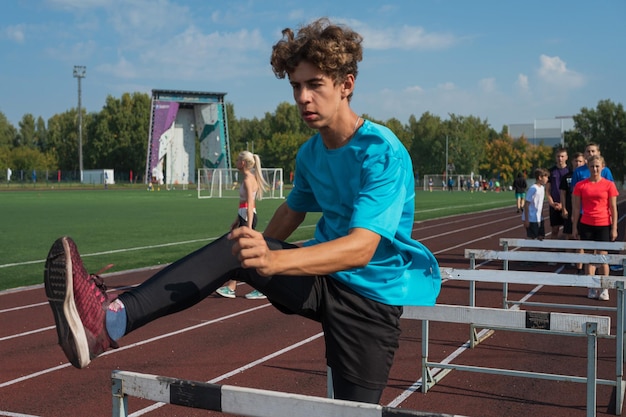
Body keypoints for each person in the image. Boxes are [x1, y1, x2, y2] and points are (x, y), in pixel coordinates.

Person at [43, 18, 441, 404]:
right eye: (296, 86)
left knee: (353, 411)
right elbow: (291, 211)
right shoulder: (311, 154)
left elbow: (361, 248)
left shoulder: (380, 152)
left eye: (315, 85)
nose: (303, 97)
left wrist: (272, 259)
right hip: (323, 279)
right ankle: (111, 322)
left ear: (346, 85)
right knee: (237, 247)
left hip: (370, 302)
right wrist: (257, 250)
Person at [216, 151, 269, 300]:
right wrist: (237, 220)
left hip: (247, 218)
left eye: (238, 160)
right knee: (242, 253)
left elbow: (250, 204)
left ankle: (257, 286)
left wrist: (248, 227)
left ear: (243, 163)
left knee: (244, 253)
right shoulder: (249, 178)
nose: (236, 162)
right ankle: (233, 286)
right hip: (244, 216)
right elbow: (245, 204)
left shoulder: (247, 180)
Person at [572, 155, 619, 301]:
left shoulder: (609, 185)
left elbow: (613, 207)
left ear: (602, 167)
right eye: (592, 166)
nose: (595, 169)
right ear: (588, 167)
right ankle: (592, 287)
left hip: (603, 223)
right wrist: (575, 226)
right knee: (590, 257)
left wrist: (614, 227)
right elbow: (576, 208)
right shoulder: (581, 185)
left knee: (602, 256)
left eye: (597, 166)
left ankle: (604, 288)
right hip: (586, 223)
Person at [559, 152, 586, 274]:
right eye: (576, 161)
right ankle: (568, 259)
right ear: (572, 162)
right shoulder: (567, 176)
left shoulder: (586, 175)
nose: (578, 163)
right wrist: (564, 208)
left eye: (580, 161)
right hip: (570, 209)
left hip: (583, 210)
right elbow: (563, 194)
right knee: (569, 235)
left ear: (584, 162)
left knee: (580, 237)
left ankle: (580, 261)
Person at [545, 148, 568, 240]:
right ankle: (553, 251)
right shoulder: (551, 171)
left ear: (566, 157)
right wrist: (552, 204)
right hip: (554, 205)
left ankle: (567, 252)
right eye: (558, 156)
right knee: (554, 230)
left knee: (567, 231)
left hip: (567, 205)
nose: (560, 159)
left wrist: (563, 205)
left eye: (562, 156)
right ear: (555, 157)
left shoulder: (570, 171)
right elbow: (547, 190)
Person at [522, 168, 549, 240]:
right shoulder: (533, 189)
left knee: (541, 237)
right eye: (546, 177)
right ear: (540, 177)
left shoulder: (542, 188)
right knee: (532, 239)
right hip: (531, 218)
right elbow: (526, 204)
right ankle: (530, 251)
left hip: (539, 218)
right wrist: (526, 220)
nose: (547, 179)